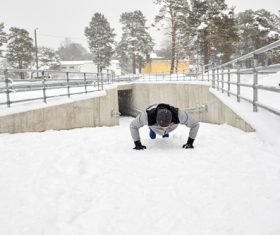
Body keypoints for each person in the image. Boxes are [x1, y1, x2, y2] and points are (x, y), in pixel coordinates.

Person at [130, 103, 200, 150]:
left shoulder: (179, 115)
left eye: (167, 125)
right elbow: (133, 126)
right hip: (153, 125)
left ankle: (166, 131)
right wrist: (137, 144)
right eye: (162, 126)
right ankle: (151, 129)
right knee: (152, 136)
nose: (164, 128)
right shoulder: (147, 117)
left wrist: (190, 143)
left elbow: (195, 125)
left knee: (165, 135)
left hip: (170, 125)